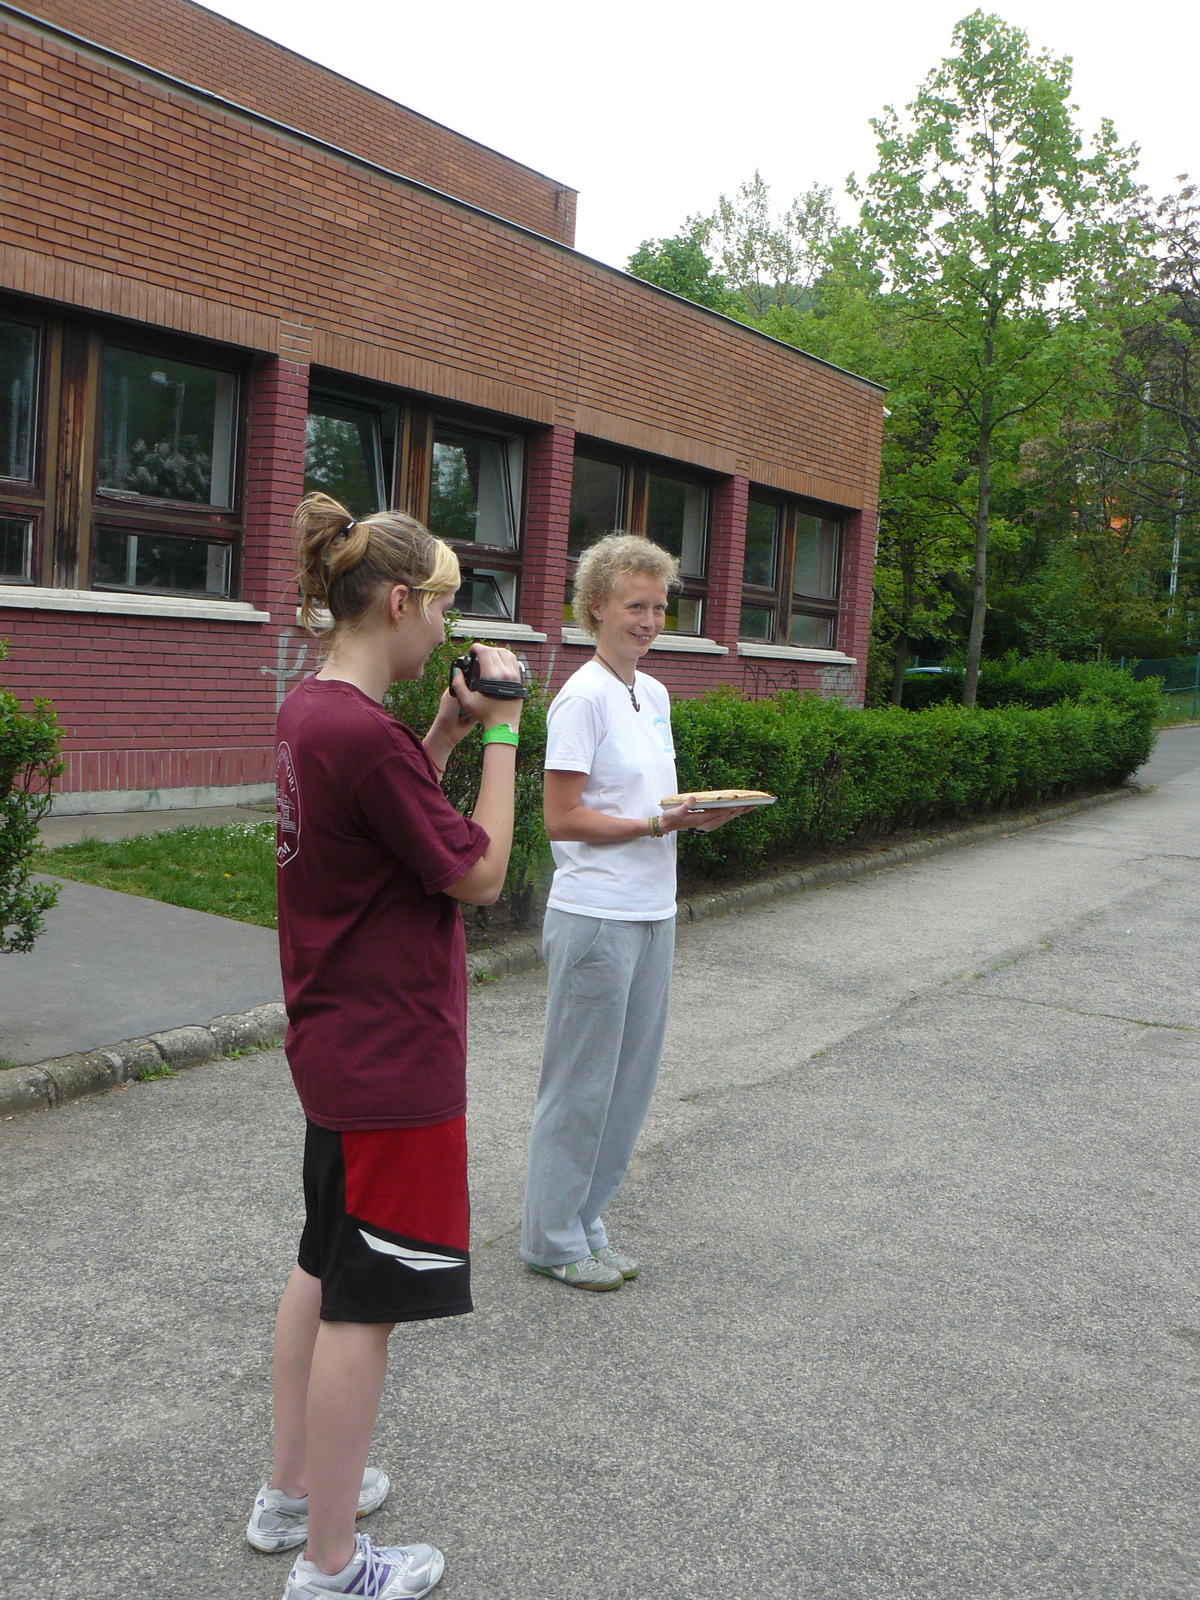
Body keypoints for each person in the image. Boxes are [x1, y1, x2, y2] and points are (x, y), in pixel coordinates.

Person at [246, 491, 524, 1600]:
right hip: (392, 1057)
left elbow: (386, 813)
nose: (448, 635)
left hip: (335, 1043)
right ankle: (330, 1565)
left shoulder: (315, 711)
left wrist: (447, 733)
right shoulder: (363, 738)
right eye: (444, 610)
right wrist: (502, 731)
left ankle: (292, 1494)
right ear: (401, 602)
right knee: (368, 1302)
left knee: (323, 1263)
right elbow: (481, 871)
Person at [521, 533, 753, 1290]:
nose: (650, 619)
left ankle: (587, 1221)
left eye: (658, 605)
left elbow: (649, 803)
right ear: (595, 609)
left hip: (653, 910)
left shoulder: (649, 694)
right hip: (596, 916)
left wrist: (693, 813)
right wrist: (659, 824)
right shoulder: (581, 696)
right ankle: (551, 1239)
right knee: (581, 1085)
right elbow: (561, 817)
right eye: (634, 605)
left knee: (629, 1085)